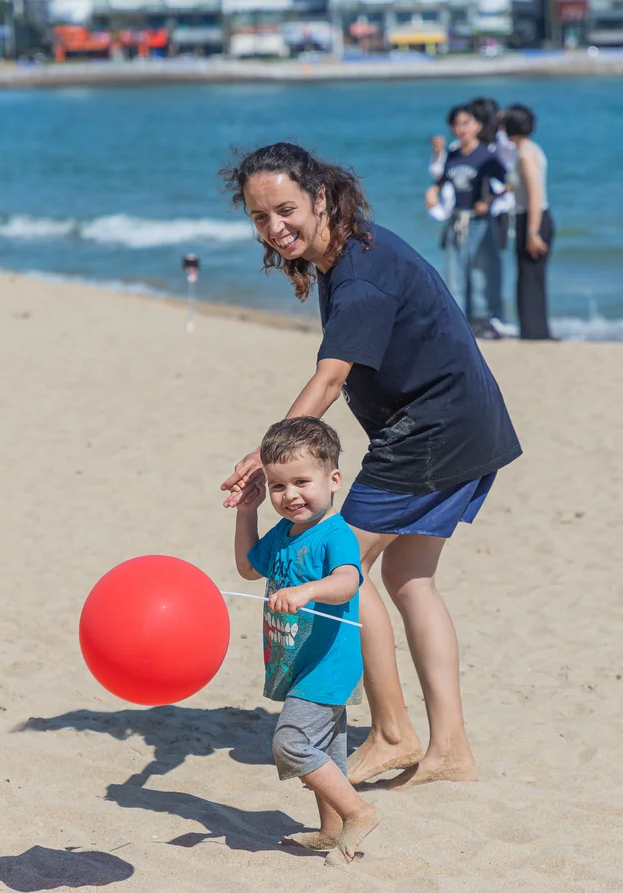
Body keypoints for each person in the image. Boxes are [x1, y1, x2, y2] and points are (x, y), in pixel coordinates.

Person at [220, 142, 522, 789]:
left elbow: (330, 380)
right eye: (260, 219)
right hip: (463, 424)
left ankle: (393, 732)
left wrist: (269, 451)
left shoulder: (359, 273)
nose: (275, 228)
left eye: (286, 210)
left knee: (340, 567)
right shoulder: (346, 252)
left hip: (432, 434)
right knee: (411, 578)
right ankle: (451, 750)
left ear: (321, 198)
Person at [233, 416, 378, 864]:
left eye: (301, 481)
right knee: (327, 748)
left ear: (333, 480)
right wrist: (246, 511)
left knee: (292, 743)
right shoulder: (282, 532)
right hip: (299, 660)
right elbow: (247, 568)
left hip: (328, 662)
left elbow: (348, 582)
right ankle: (331, 830)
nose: (290, 495)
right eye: (278, 487)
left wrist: (306, 591)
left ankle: (358, 812)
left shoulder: (335, 533)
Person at [427, 105, 510, 339]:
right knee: (454, 275)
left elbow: (510, 182)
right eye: (456, 125)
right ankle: (459, 325)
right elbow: (441, 179)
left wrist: (490, 200)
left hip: (480, 222)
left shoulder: (486, 154)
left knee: (482, 274)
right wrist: (432, 192)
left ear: (477, 126)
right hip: (456, 220)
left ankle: (486, 323)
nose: (461, 129)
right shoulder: (453, 154)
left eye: (466, 123)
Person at [501, 104, 556, 341]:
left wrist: (533, 232)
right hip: (531, 217)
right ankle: (534, 330)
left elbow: (535, 193)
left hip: (534, 218)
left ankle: (535, 332)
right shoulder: (526, 150)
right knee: (529, 276)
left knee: (530, 277)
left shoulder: (525, 154)